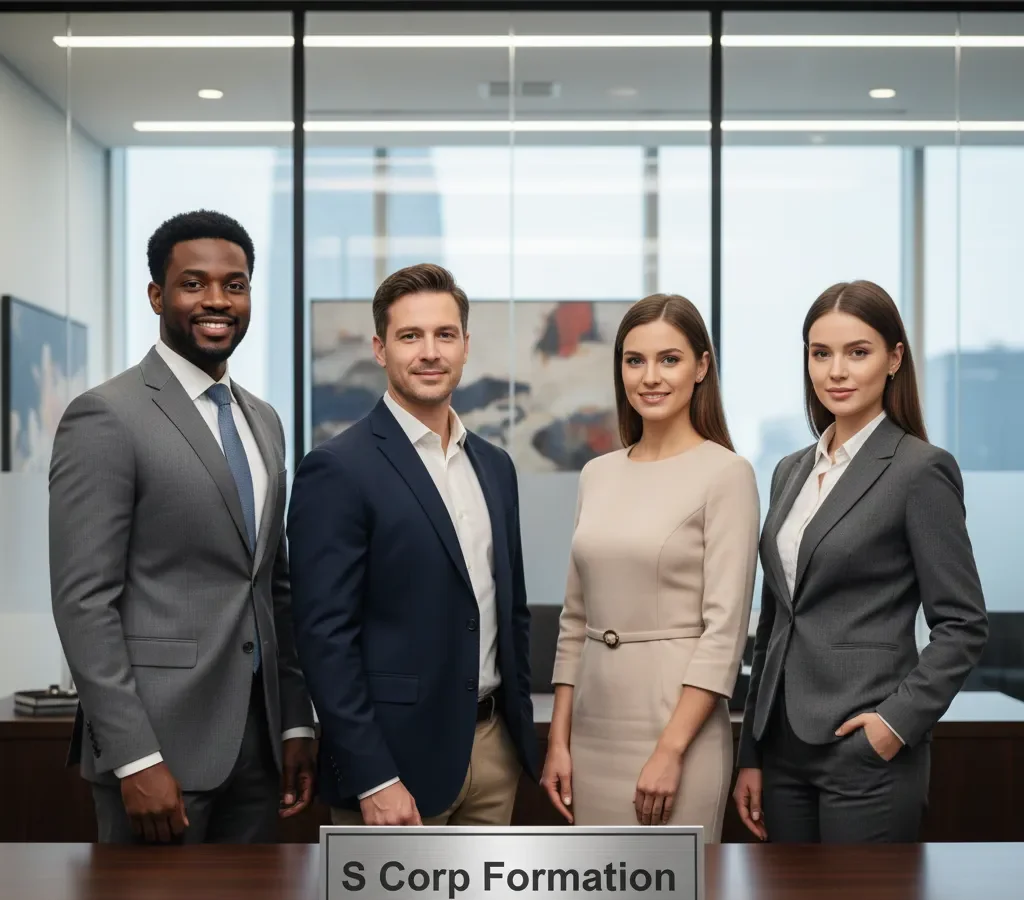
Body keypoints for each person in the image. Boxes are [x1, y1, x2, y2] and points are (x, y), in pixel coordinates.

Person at [49, 210, 316, 844]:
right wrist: (134, 757)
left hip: (259, 749)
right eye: (194, 284)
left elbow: (273, 585)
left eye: (236, 284)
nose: (218, 300)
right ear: (157, 296)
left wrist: (296, 722)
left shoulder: (265, 421)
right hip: (158, 752)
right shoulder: (106, 417)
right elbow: (85, 603)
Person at [733, 280, 988, 844]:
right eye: (821, 354)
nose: (836, 371)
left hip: (865, 748)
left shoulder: (920, 470)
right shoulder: (789, 470)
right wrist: (751, 749)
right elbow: (775, 621)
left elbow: (964, 624)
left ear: (894, 358)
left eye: (858, 352)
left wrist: (894, 725)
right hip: (781, 749)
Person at [286, 263, 538, 826]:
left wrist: (518, 739)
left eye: (445, 335)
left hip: (495, 754)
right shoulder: (337, 469)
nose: (430, 352)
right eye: (410, 336)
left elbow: (509, 610)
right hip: (394, 768)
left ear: (466, 346)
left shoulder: (495, 467)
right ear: (380, 349)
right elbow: (325, 640)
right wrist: (373, 776)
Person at [541, 294, 759, 838]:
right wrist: (558, 742)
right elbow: (574, 621)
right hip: (592, 731)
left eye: (669, 359)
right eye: (634, 360)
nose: (650, 377)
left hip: (675, 728)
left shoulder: (727, 474)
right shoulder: (598, 473)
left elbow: (724, 633)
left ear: (701, 367)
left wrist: (670, 749)